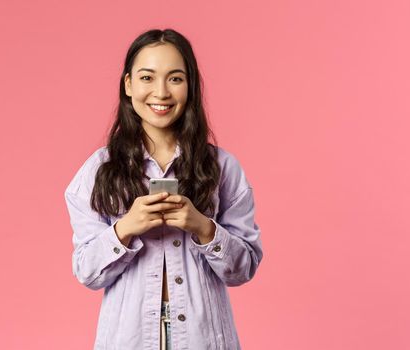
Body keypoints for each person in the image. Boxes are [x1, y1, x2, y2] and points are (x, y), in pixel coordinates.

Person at [64, 28, 264, 350]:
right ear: (128, 85)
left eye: (175, 78)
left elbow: (242, 270)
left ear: (191, 87)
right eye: (147, 78)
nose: (161, 92)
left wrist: (202, 227)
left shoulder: (222, 168)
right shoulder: (99, 170)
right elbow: (87, 272)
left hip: (205, 339)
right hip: (128, 339)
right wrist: (125, 228)